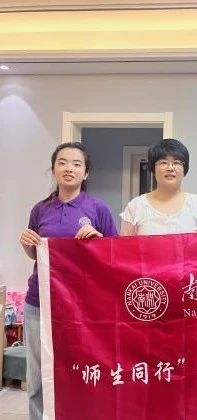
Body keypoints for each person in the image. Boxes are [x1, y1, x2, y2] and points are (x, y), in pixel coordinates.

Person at [20, 142, 118, 420]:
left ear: (86, 173)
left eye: (77, 164)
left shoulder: (98, 209)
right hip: (40, 302)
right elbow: (37, 254)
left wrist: (97, 241)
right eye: (62, 162)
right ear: (53, 169)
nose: (69, 168)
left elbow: (115, 256)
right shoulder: (40, 210)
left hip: (82, 307)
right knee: (37, 376)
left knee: (80, 370)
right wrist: (27, 245)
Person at [120, 138, 197, 235]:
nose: (170, 168)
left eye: (176, 163)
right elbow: (124, 244)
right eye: (163, 162)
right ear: (153, 169)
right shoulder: (136, 207)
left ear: (184, 169)